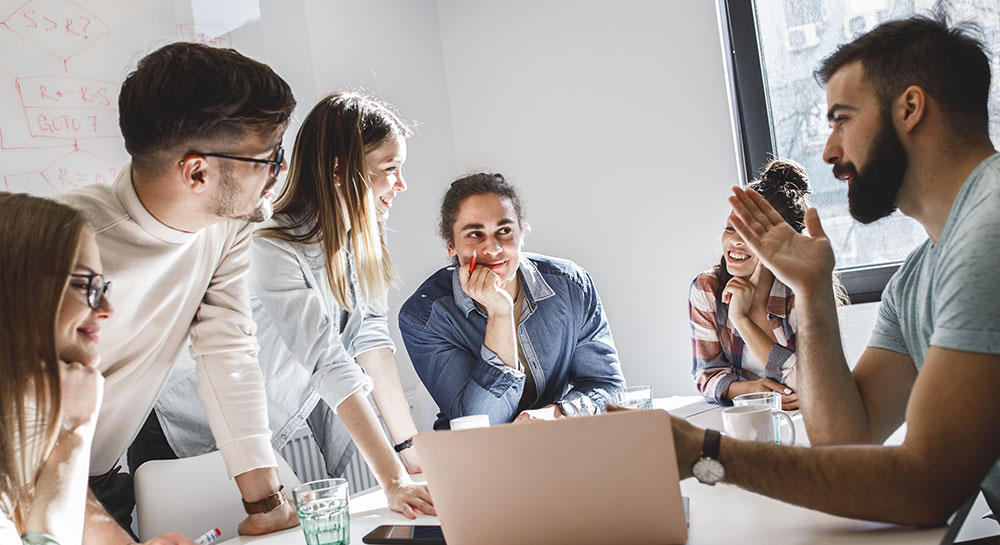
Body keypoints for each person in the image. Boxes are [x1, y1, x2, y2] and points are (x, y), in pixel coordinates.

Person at [660, 13, 1000, 525]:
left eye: (841, 119)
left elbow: (926, 487)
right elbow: (846, 437)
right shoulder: (918, 275)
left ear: (910, 108)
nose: (829, 152)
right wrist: (811, 291)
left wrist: (708, 453)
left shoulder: (988, 234)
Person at [55, 42, 299, 542]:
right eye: (269, 159)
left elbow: (226, 349)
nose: (278, 175)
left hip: (99, 481)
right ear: (197, 172)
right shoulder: (63, 244)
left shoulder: (226, 225)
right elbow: (25, 432)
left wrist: (265, 503)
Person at [152, 92, 435, 518]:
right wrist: (393, 480)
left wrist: (411, 450)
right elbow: (327, 360)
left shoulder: (364, 240)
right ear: (341, 170)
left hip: (272, 407)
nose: (401, 183)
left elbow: (371, 340)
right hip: (193, 423)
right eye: (390, 168)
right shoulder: (271, 242)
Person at [0, 194, 195, 545]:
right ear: (18, 288)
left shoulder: (28, 416)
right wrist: (74, 435)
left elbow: (70, 515)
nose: (107, 309)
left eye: (102, 287)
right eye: (86, 287)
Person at [399, 173, 625, 429]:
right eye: (475, 234)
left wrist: (558, 413)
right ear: (451, 245)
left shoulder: (571, 285)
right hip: (479, 459)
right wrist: (500, 315)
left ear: (522, 232)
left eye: (504, 231)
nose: (493, 249)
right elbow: (482, 424)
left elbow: (607, 386)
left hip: (559, 440)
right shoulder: (423, 316)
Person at [690, 159, 845, 410]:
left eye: (751, 233)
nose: (736, 242)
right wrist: (751, 390)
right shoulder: (707, 290)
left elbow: (816, 386)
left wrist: (742, 320)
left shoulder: (803, 291)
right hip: (745, 414)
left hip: (807, 420)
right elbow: (706, 375)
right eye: (731, 228)